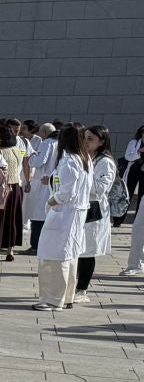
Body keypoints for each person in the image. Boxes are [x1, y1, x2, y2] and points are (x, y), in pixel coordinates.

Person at [35, 123, 90, 310]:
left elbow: (67, 192)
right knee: (69, 255)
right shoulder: (84, 159)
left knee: (54, 257)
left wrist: (51, 200)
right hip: (73, 214)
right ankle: (66, 296)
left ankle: (52, 299)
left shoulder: (70, 161)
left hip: (64, 212)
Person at [79, 123, 117, 296]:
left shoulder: (105, 162)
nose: (86, 142)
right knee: (79, 249)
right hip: (82, 208)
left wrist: (80, 181)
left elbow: (101, 189)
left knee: (88, 250)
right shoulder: (85, 157)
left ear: (101, 142)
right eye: (85, 138)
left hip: (94, 210)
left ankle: (82, 289)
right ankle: (76, 285)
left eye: (90, 139)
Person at [0, 119, 25, 263]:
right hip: (16, 186)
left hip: (2, 188)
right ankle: (11, 250)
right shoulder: (16, 149)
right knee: (13, 219)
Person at [26, 121, 58, 253]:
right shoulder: (60, 144)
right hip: (53, 182)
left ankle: (35, 245)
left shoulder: (46, 143)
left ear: (44, 132)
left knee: (38, 214)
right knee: (48, 214)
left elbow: (38, 162)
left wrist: (31, 156)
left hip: (42, 183)